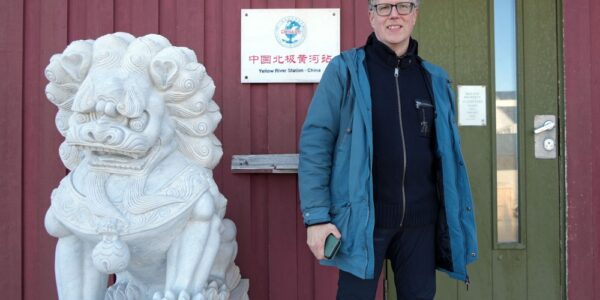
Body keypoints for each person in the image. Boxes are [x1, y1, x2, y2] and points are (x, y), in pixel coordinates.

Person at [298, 1, 478, 299]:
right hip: (363, 222)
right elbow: (316, 143)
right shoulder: (346, 71)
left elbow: (447, 159)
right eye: (383, 7)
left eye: (403, 6)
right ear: (371, 16)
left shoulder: (435, 80)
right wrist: (316, 218)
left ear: (415, 14)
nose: (394, 14)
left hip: (421, 225)